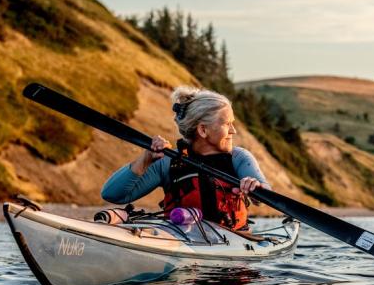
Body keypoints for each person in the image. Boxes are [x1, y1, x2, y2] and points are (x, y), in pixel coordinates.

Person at [101, 86, 269, 230]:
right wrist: (145, 159)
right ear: (203, 130)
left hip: (235, 243)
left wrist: (256, 189)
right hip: (181, 240)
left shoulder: (239, 158)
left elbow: (264, 195)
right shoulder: (169, 163)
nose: (233, 131)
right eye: (227, 124)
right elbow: (112, 195)